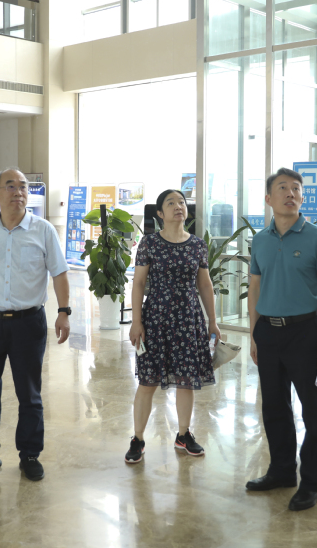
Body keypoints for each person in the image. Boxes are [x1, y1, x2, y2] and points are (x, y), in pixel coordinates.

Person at [0, 168, 71, 481]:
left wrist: (64, 311)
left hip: (28, 324)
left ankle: (29, 455)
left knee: (29, 395)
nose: (18, 192)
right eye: (10, 186)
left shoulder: (43, 229)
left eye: (23, 187)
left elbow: (59, 272)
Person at [245, 167, 317, 512]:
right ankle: (282, 470)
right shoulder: (261, 239)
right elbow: (254, 287)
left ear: (302, 197)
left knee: (314, 411)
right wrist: (254, 334)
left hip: (304, 332)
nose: (291, 193)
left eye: (296, 189)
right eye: (283, 188)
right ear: (268, 199)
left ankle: (312, 481)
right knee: (274, 406)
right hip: (268, 332)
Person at [126, 189, 220, 464]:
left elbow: (205, 284)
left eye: (181, 202)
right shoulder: (150, 243)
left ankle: (183, 434)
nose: (178, 206)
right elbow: (139, 283)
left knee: (186, 380)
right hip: (155, 319)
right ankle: (138, 438)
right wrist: (136, 321)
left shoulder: (197, 245)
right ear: (160, 213)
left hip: (188, 319)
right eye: (171, 203)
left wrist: (212, 321)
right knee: (148, 381)